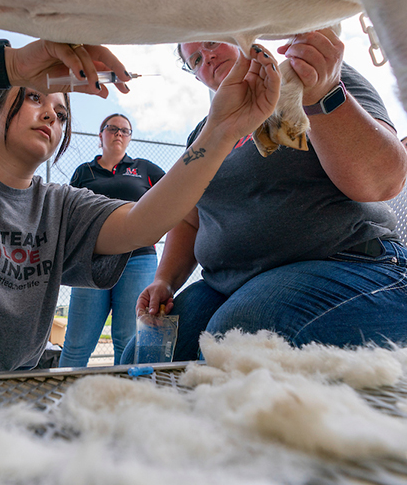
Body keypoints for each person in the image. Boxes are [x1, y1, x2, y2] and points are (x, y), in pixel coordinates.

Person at [0, 38, 280, 378]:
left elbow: (144, 224)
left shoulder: (61, 207)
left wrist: (220, 131)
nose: (50, 115)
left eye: (62, 114)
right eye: (36, 96)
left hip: (3, 407)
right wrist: (14, 62)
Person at [122, 28, 407, 364]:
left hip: (352, 263)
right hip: (228, 285)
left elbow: (383, 181)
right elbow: (189, 218)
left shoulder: (312, 76)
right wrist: (164, 281)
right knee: (141, 354)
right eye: (196, 59)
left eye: (211, 42)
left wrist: (322, 93)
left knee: (235, 340)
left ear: (242, 36)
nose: (208, 57)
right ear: (196, 76)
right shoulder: (204, 133)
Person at [59, 114, 165, 366]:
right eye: (112, 128)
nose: (118, 133)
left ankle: (124, 400)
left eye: (125, 130)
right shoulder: (84, 172)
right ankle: (61, 401)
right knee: (77, 341)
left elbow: (174, 196)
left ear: (129, 137)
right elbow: (69, 213)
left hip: (137, 257)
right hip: (91, 260)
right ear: (101, 135)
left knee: (127, 338)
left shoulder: (144, 168)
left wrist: (157, 227)